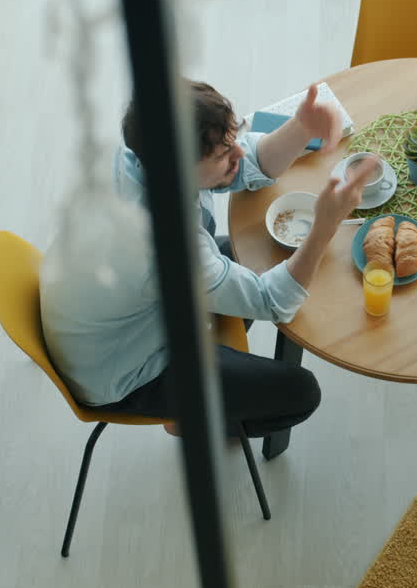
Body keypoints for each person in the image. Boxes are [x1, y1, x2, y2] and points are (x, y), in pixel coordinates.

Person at [39, 81, 376, 439]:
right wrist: (324, 227)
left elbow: (243, 164)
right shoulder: (165, 248)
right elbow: (273, 301)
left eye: (233, 139)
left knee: (252, 253)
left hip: (104, 311)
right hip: (122, 372)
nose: (238, 153)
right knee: (302, 392)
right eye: (223, 154)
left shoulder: (138, 155)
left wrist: (301, 127)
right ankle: (194, 425)